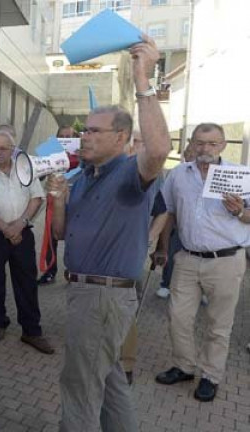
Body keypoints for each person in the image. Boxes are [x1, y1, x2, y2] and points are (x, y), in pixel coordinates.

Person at [48, 35, 170, 431]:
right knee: (111, 378)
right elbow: (63, 235)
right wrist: (60, 200)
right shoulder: (83, 176)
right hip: (87, 291)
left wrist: (143, 80)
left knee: (80, 386)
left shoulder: (127, 173)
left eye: (96, 131)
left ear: (121, 138)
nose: (85, 136)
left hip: (103, 296)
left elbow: (157, 151)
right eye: (85, 130)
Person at [153, 123, 250, 402]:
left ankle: (210, 376)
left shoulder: (239, 175)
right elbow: (168, 212)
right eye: (199, 143)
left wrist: (240, 212)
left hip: (226, 260)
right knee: (177, 317)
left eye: (212, 143)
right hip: (186, 257)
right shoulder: (178, 174)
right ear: (192, 144)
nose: (205, 149)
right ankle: (184, 366)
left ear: (222, 145)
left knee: (219, 324)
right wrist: (161, 249)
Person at [0, 131, 53, 354]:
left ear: (13, 149)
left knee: (27, 282)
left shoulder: (25, 170)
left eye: (4, 148)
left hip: (22, 232)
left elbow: (36, 198)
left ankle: (31, 331)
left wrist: (19, 225)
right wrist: (7, 229)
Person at [38, 125, 79, 285]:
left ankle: (73, 271)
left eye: (68, 136)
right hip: (55, 201)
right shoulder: (51, 153)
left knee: (75, 238)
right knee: (50, 239)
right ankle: (50, 271)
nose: (65, 140)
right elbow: (40, 175)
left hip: (76, 202)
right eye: (61, 136)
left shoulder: (84, 154)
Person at [155, 142, 195, 298]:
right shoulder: (175, 173)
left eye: (192, 152)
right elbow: (167, 202)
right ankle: (166, 283)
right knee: (171, 255)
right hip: (176, 224)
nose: (189, 155)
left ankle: (201, 290)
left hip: (197, 227)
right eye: (187, 152)